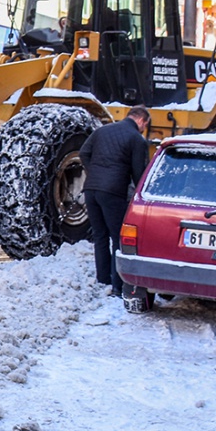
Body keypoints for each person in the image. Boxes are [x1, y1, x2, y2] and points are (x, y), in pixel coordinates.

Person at [78, 105, 151, 296]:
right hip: (113, 192)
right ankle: (118, 285)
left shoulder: (102, 130)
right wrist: (140, 195)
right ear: (142, 121)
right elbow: (138, 173)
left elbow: (83, 153)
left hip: (91, 190)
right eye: (145, 125)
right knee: (118, 238)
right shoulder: (137, 139)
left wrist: (93, 172)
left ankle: (103, 278)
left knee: (100, 236)